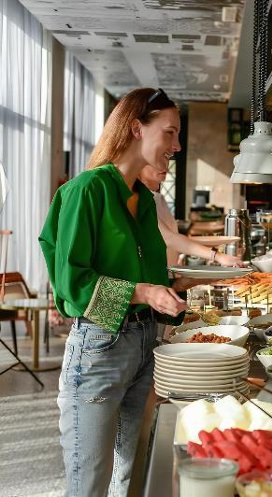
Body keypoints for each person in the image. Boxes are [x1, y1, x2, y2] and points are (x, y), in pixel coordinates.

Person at [39, 87, 189, 497]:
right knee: (89, 482)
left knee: (134, 476)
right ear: (137, 128)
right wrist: (144, 292)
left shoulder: (143, 199)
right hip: (99, 347)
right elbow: (72, 286)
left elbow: (149, 278)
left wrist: (178, 288)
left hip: (145, 342)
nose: (176, 145)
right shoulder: (86, 190)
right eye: (170, 132)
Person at [139, 164, 242, 267]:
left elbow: (172, 240)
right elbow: (169, 239)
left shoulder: (157, 198)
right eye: (157, 160)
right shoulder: (140, 200)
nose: (165, 166)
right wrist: (218, 256)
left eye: (167, 158)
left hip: (169, 270)